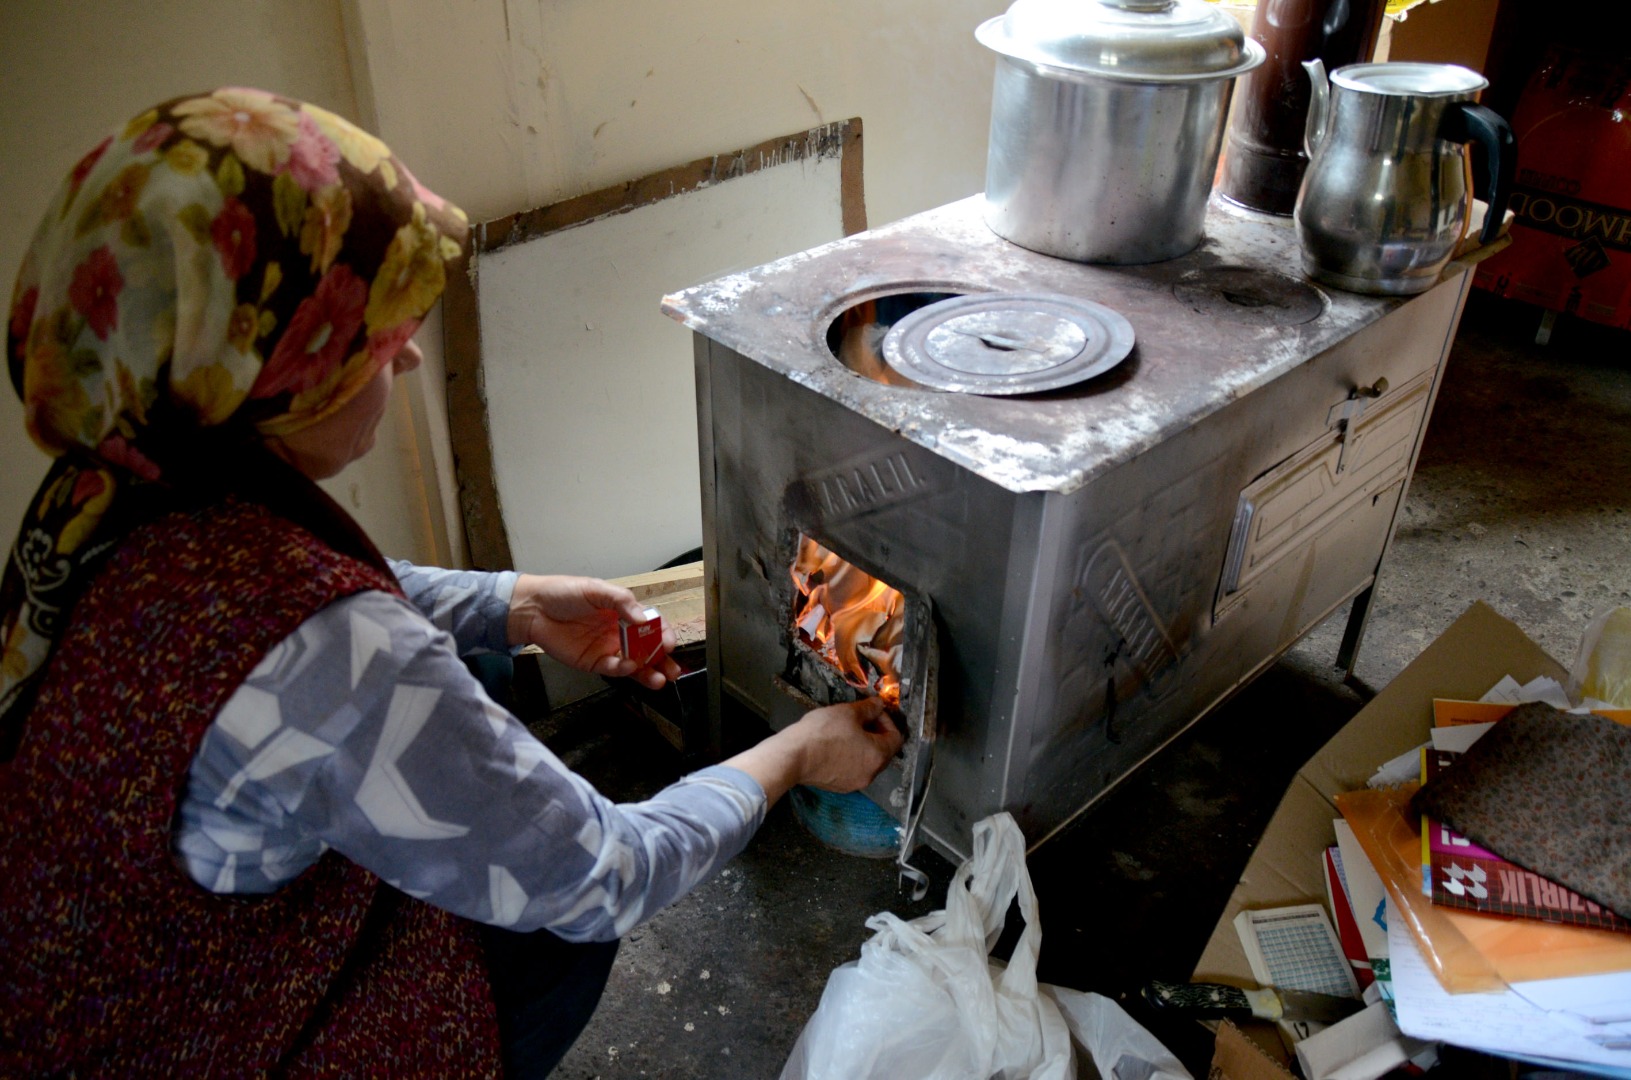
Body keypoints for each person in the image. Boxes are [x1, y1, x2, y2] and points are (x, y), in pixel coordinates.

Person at [0, 87, 904, 1077]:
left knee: (483, 705)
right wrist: (791, 757)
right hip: (207, 1037)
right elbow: (602, 875)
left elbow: (281, 600)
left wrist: (511, 603)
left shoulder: (114, 480)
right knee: (558, 931)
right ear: (277, 369)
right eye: (373, 343)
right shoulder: (333, 657)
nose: (413, 353)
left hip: (88, 972)